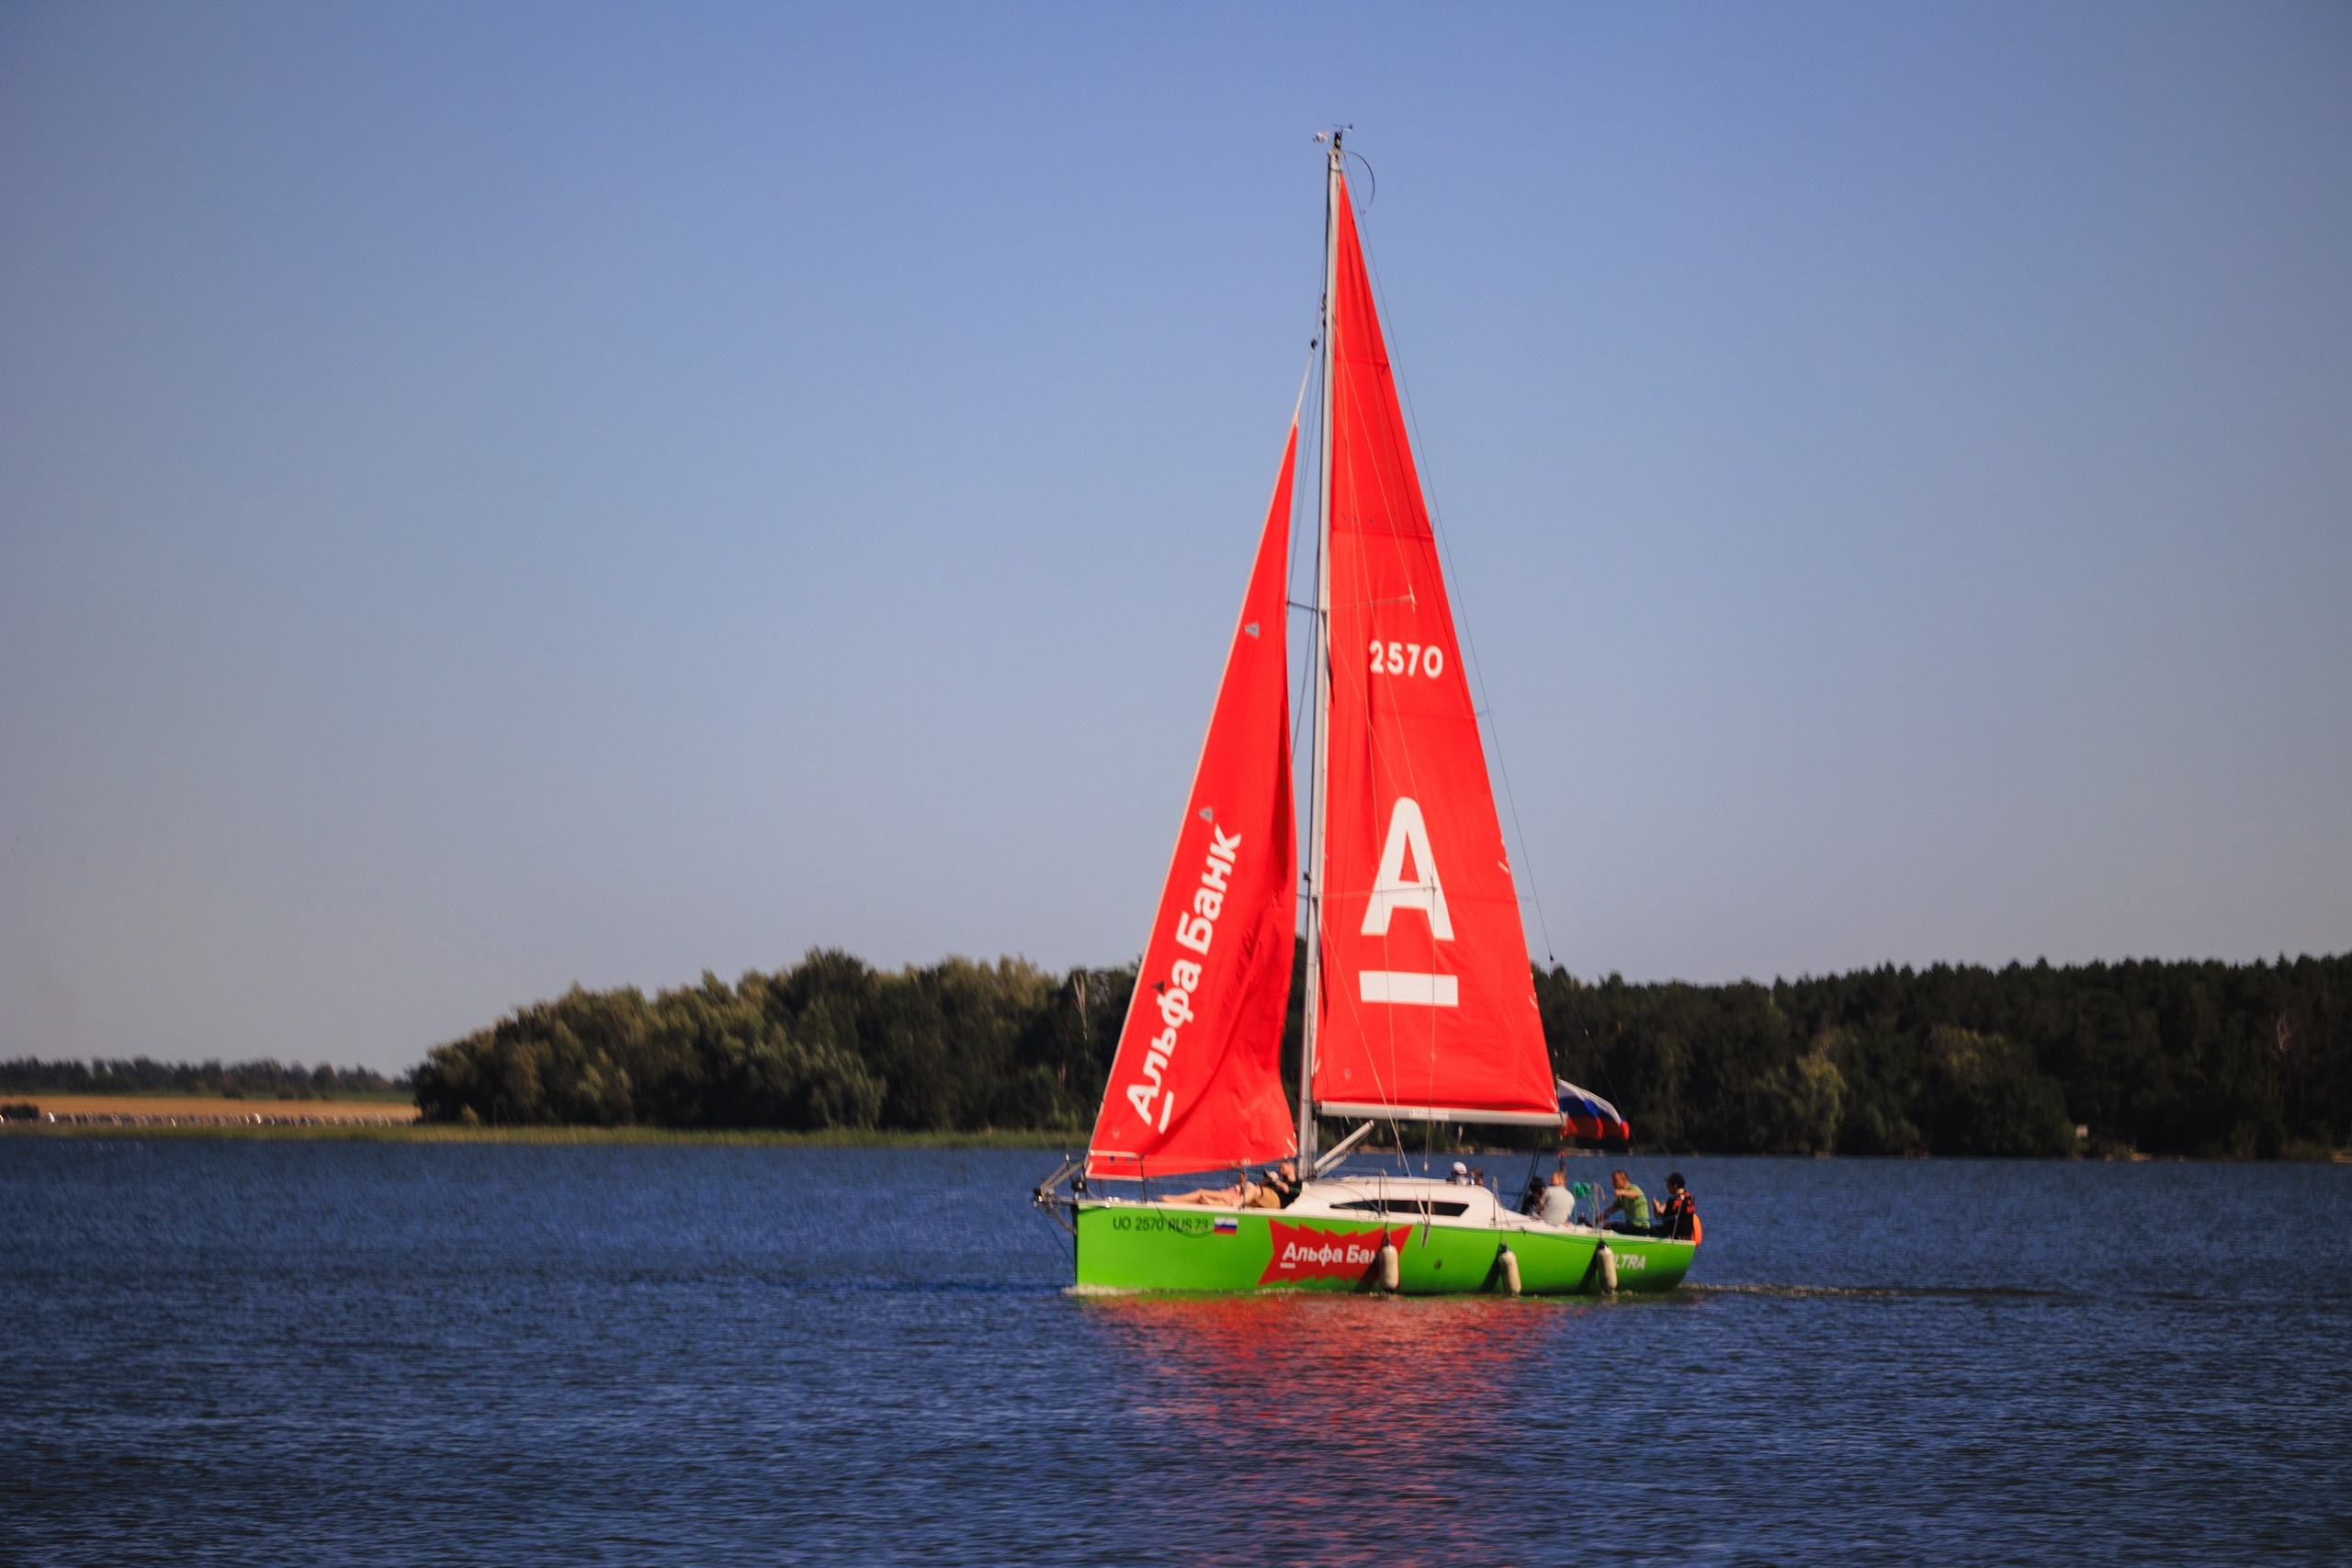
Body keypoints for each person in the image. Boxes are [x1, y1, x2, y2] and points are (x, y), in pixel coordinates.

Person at [1598, 1168, 1651, 1234]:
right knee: (1606, 1226)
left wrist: (1622, 1192)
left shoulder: (1633, 1188)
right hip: (1631, 1227)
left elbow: (1636, 1194)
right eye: (1613, 1181)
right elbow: (1609, 1211)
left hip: (1641, 1227)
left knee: (1610, 1226)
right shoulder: (1622, 1197)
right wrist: (1594, 1222)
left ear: (1624, 1180)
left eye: (1615, 1181)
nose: (1613, 1184)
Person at [1654, 1171, 1698, 1240]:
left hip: (1674, 1236)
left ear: (1675, 1185)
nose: (1667, 1187)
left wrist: (1656, 1208)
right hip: (1687, 1236)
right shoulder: (1689, 1198)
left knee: (1644, 1230)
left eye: (1668, 1185)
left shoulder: (1673, 1200)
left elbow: (1665, 1221)